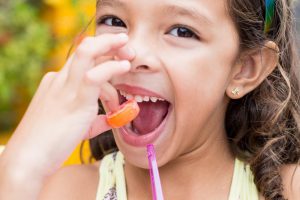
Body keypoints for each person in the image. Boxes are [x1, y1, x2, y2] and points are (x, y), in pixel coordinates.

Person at [0, 0, 299, 199]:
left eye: (182, 31)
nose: (135, 53)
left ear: (245, 69)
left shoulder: (288, 189)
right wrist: (20, 169)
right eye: (114, 20)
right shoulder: (63, 191)